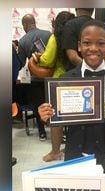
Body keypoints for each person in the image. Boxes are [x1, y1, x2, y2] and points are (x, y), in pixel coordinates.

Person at [38, 20, 105, 172]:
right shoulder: (66, 79)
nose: (93, 48)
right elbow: (56, 118)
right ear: (79, 46)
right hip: (75, 151)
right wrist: (46, 113)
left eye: (101, 43)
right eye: (87, 42)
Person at [31, 11, 76, 162]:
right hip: (75, 80)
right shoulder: (75, 36)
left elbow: (48, 60)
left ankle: (55, 151)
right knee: (74, 118)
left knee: (56, 119)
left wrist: (37, 57)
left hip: (58, 82)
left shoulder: (55, 38)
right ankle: (69, 147)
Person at [17, 14, 52, 141]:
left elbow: (20, 62)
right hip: (51, 77)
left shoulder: (22, 41)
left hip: (36, 78)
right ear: (34, 22)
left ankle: (42, 132)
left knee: (39, 105)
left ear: (25, 25)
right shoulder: (48, 34)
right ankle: (58, 131)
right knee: (53, 103)